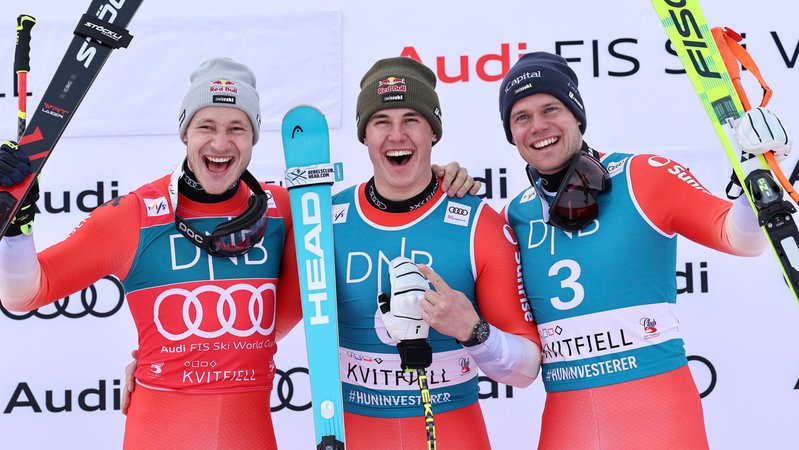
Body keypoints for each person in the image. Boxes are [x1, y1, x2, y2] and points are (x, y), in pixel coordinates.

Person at [0, 57, 477, 449]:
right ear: (185, 133)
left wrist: (440, 178)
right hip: (157, 432)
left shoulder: (289, 210)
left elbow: (379, 205)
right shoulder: (135, 216)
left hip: (249, 434)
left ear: (253, 141)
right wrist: (14, 231)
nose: (221, 143)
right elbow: (25, 295)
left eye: (238, 128)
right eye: (206, 125)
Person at [498, 51, 790, 449]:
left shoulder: (641, 176)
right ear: (511, 134)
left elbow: (742, 239)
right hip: (569, 428)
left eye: (551, 108)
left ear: (577, 115)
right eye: (522, 117)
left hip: (662, 421)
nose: (539, 126)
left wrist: (759, 171)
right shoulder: (514, 215)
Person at [330, 56, 542, 449]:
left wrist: (472, 331)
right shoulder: (326, 222)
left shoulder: (480, 224)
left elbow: (526, 368)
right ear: (364, 136)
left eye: (412, 119)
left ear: (433, 132)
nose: (397, 135)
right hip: (356, 434)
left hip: (452, 434)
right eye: (381, 122)